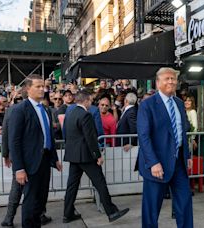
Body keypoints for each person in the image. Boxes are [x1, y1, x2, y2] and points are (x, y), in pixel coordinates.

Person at [137, 67, 193, 228]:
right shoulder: (147, 105)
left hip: (179, 164)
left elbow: (183, 132)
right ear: (158, 82)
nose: (171, 81)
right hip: (157, 165)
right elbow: (144, 136)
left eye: (173, 79)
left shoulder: (179, 103)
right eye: (167, 78)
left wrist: (187, 156)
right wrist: (153, 162)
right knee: (152, 209)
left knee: (184, 203)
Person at [63, 90, 129, 223]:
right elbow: (91, 138)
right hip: (86, 156)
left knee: (72, 185)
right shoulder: (85, 115)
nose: (91, 103)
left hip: (73, 155)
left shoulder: (70, 113)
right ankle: (111, 212)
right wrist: (97, 155)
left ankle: (67, 214)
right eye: (91, 101)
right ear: (86, 100)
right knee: (100, 183)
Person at [8, 74, 62, 227]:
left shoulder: (45, 109)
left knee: (41, 201)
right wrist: (18, 168)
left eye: (43, 86)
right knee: (30, 203)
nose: (42, 89)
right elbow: (14, 141)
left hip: (45, 161)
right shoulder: (20, 110)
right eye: (38, 86)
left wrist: (55, 158)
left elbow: (48, 136)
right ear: (27, 89)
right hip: (30, 164)